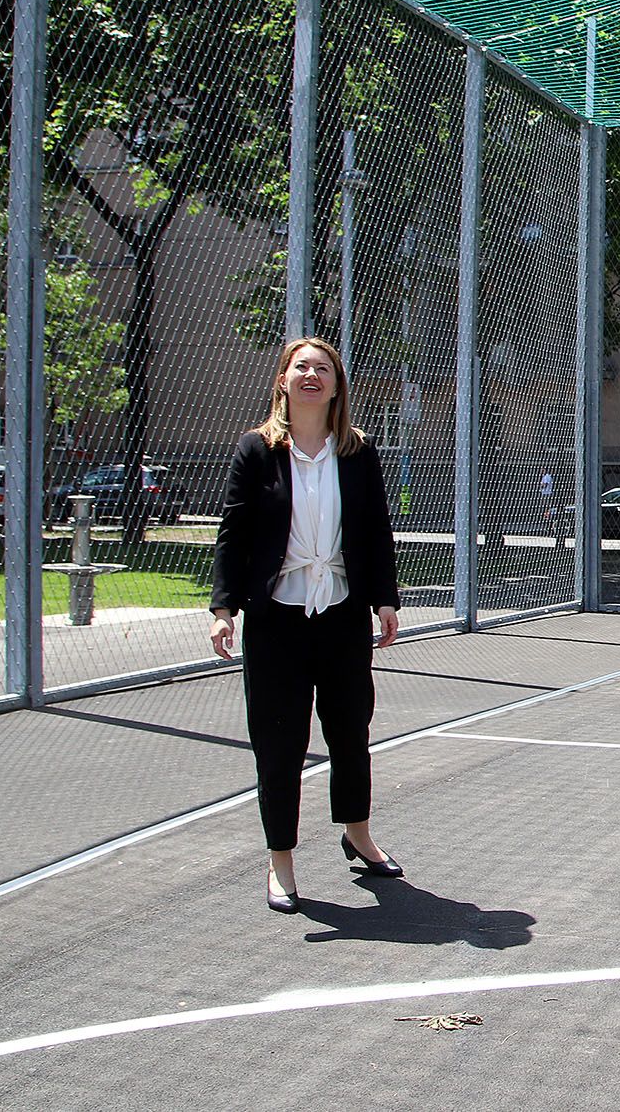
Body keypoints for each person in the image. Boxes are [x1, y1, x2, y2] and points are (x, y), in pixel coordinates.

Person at [210, 336, 404, 914]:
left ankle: (357, 832)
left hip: (341, 615)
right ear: (284, 382)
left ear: (338, 385)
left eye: (324, 368)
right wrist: (224, 610)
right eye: (302, 367)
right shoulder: (256, 450)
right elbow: (233, 534)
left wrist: (384, 601)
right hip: (276, 621)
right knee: (279, 742)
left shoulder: (357, 452)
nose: (313, 375)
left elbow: (374, 532)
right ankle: (281, 862)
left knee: (351, 733)